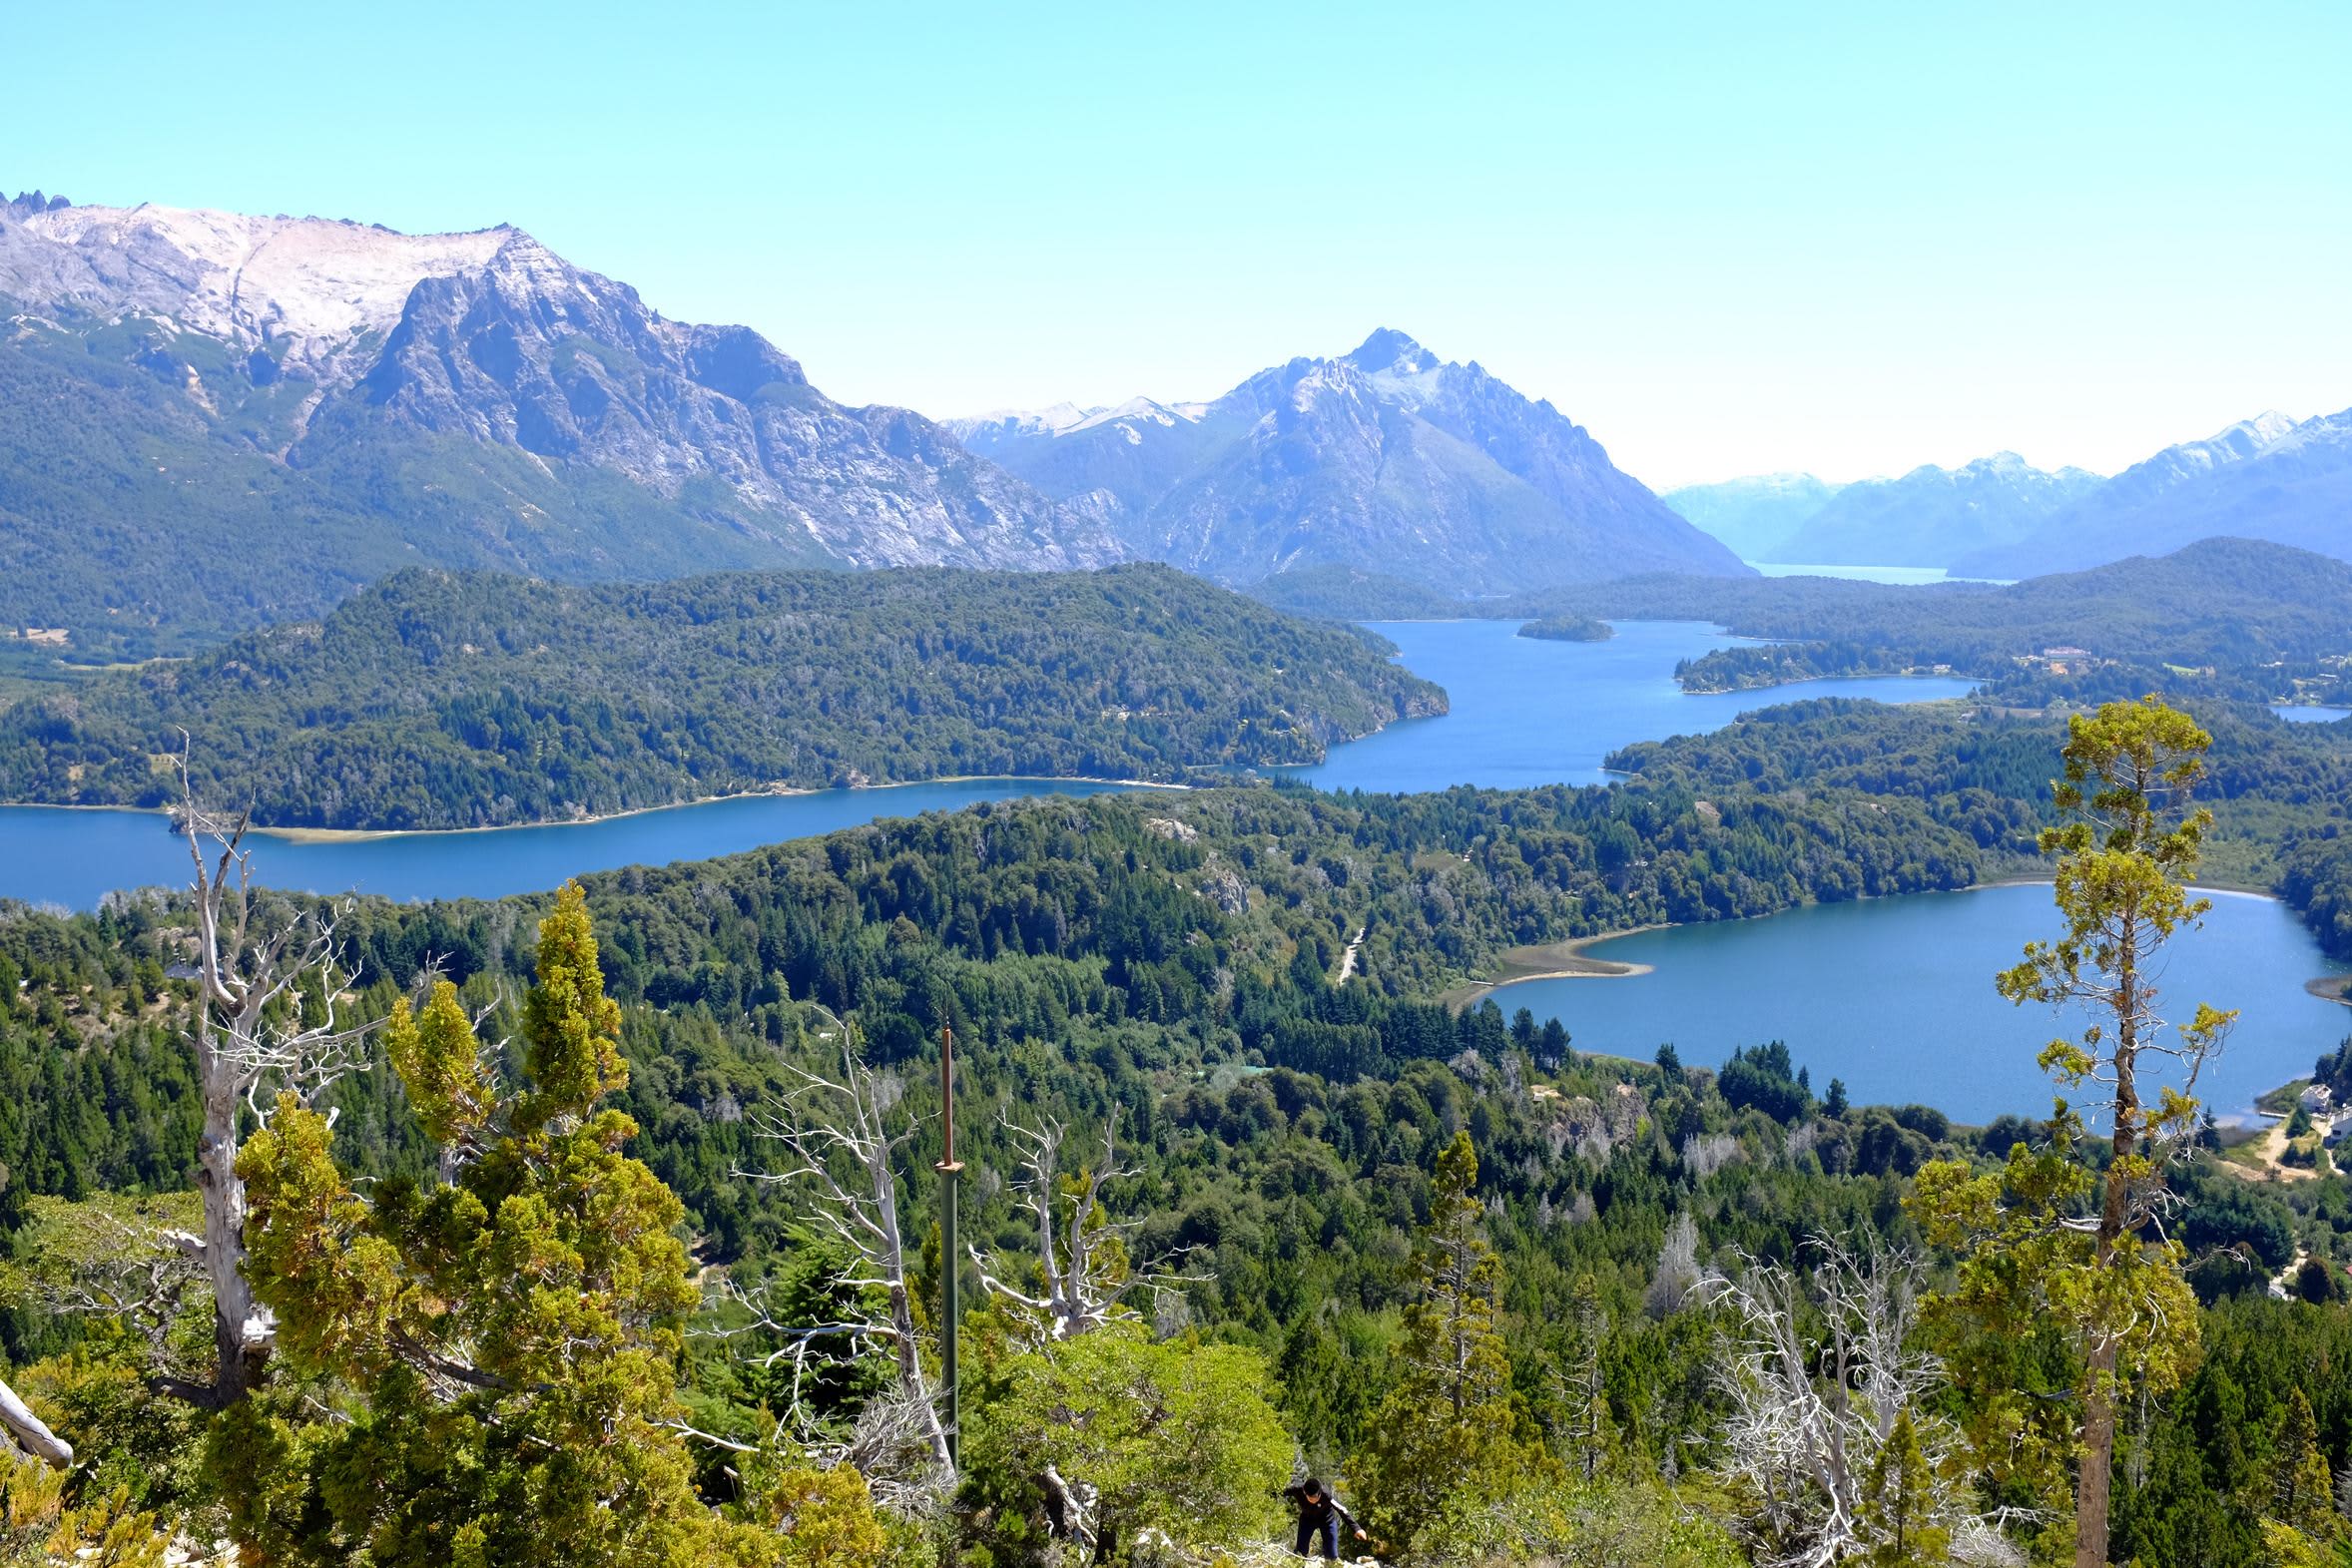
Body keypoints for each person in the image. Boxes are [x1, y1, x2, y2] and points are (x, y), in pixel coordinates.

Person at [1283, 1476, 1368, 1559]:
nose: (1313, 1500)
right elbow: (1280, 1491)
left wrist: (1356, 1528)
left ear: (1320, 1492)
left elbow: (1342, 1510)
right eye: (1310, 1497)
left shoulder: (1326, 1495)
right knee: (1300, 1552)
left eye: (1315, 1497)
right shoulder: (1297, 1489)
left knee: (1332, 1554)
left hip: (1327, 1521)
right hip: (1307, 1520)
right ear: (1305, 1493)